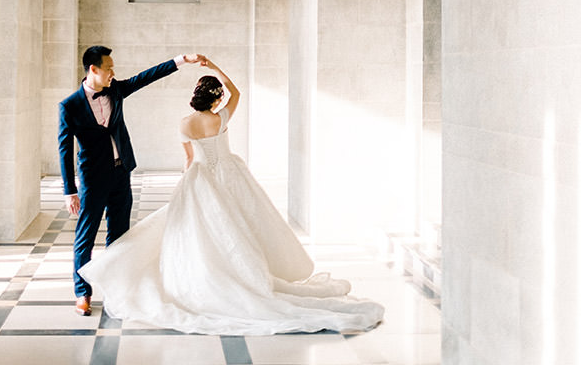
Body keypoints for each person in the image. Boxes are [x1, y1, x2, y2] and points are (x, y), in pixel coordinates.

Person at [78, 58, 385, 335]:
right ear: (215, 97)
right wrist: (215, 69)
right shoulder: (221, 117)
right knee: (240, 224)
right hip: (230, 173)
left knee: (204, 230)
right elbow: (236, 92)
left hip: (200, 178)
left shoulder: (185, 123)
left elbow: (188, 160)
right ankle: (247, 272)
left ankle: (211, 275)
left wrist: (185, 185)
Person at [58, 45, 202, 315]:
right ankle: (82, 293)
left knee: (120, 235)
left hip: (121, 172)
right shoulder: (70, 106)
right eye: (109, 67)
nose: (113, 72)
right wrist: (70, 190)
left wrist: (182, 60)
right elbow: (65, 150)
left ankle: (117, 289)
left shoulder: (115, 90)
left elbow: (147, 76)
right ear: (94, 69)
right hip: (92, 179)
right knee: (85, 237)